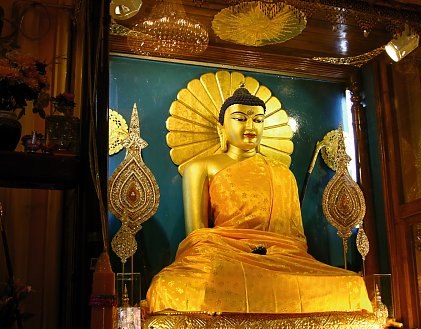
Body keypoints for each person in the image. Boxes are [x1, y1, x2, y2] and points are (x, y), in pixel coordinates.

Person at [146, 86, 373, 314]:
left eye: (258, 120)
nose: (250, 126)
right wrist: (233, 253)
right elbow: (197, 236)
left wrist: (274, 254)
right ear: (221, 127)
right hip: (225, 258)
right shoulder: (200, 167)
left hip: (283, 260)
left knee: (350, 284)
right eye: (240, 118)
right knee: (168, 286)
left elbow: (294, 240)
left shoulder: (283, 173)